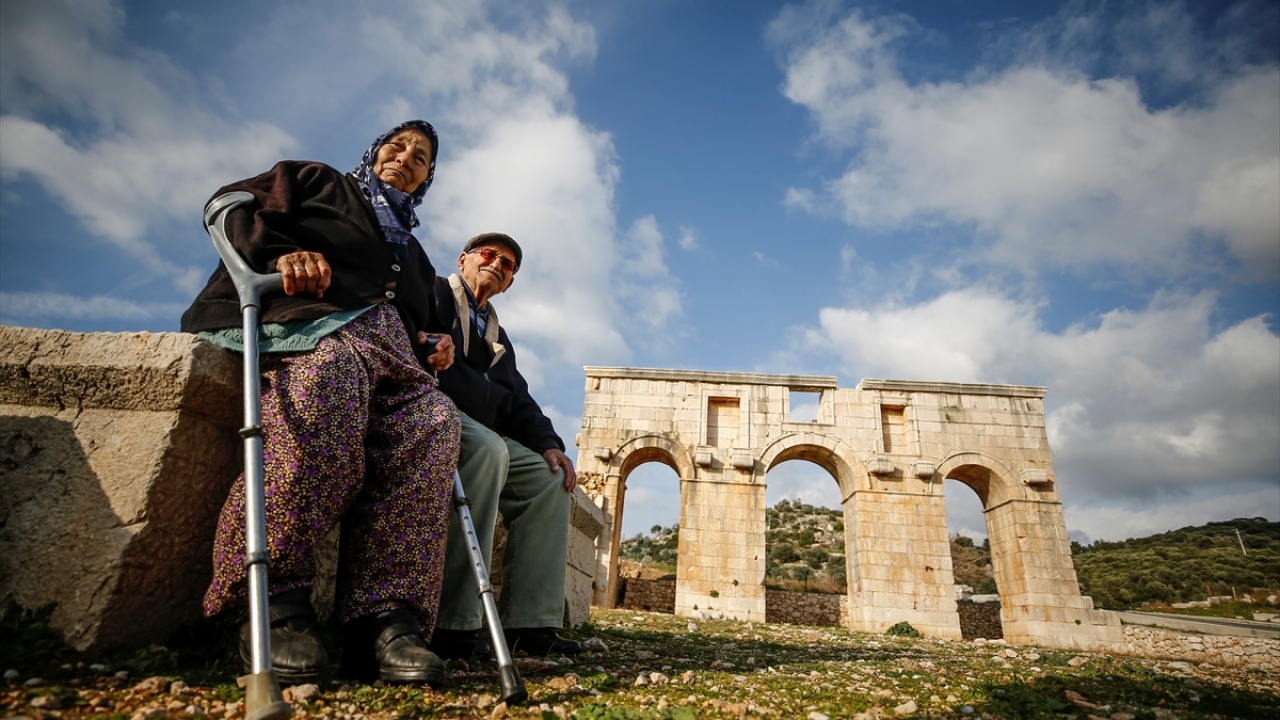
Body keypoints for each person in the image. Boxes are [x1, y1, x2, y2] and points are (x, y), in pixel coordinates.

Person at [181, 121, 459, 687]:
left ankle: (384, 619)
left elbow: (419, 321)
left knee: (434, 423)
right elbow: (231, 203)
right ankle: (270, 597)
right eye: (397, 145)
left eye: (422, 157)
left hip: (394, 362)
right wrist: (286, 254)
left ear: (428, 178)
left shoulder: (418, 255)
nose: (405, 158)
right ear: (375, 151)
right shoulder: (317, 181)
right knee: (327, 383)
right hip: (317, 329)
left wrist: (435, 342)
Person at [427, 232, 582, 659]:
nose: (498, 264)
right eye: (489, 254)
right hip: (431, 410)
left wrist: (549, 444)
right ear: (464, 260)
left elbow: (519, 399)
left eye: (508, 264)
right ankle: (453, 624)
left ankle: (530, 623)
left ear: (510, 282)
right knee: (489, 450)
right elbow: (407, 334)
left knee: (549, 481)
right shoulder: (433, 292)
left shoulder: (499, 335)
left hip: (480, 428)